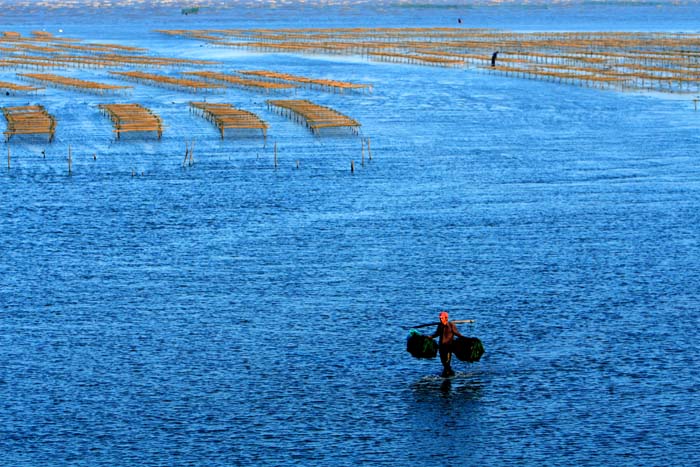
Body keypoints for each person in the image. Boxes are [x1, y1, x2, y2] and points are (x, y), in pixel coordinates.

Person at [429, 311, 464, 377]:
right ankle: (447, 371)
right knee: (443, 361)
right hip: (441, 347)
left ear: (446, 318)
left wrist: (464, 338)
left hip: (449, 347)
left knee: (447, 361)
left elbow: (457, 334)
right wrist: (430, 337)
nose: (440, 319)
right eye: (440, 318)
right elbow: (437, 334)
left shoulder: (451, 325)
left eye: (442, 318)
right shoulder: (440, 326)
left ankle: (449, 372)